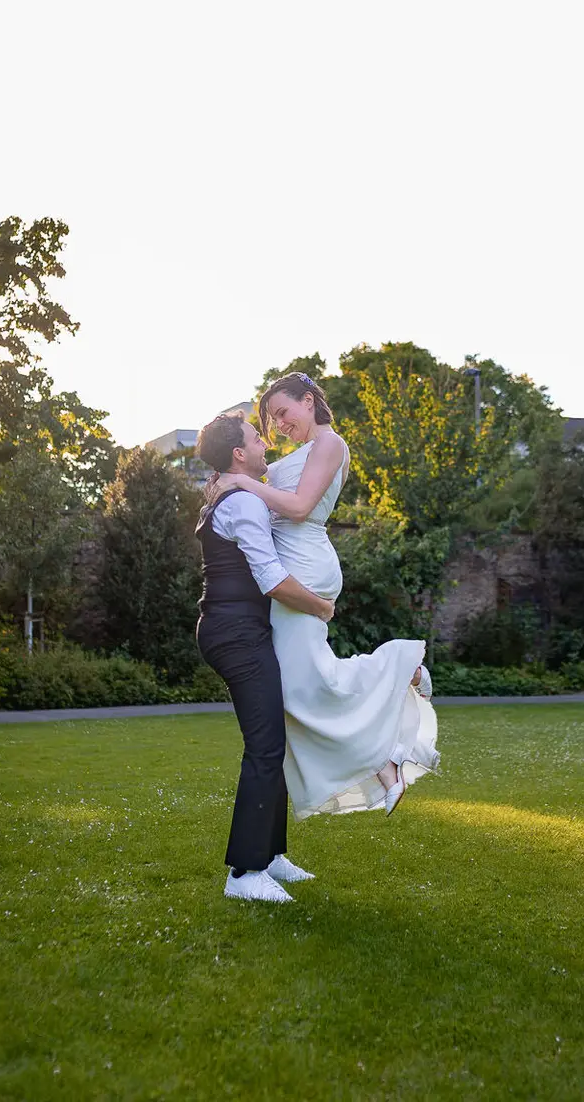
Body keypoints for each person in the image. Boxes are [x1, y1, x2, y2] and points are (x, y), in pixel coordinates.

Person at [208, 372, 438, 818]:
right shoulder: (302, 454)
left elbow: (296, 507)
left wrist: (240, 484)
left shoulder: (331, 444)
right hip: (298, 559)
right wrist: (226, 477)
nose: (278, 425)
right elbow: (249, 474)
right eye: (271, 419)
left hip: (304, 564)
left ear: (309, 401)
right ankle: (383, 764)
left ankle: (400, 667)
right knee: (302, 688)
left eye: (283, 412)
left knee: (304, 687)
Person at [193, 410, 336, 904]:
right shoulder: (244, 505)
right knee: (265, 746)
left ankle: (271, 856)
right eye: (256, 438)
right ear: (238, 453)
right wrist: (320, 606)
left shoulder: (236, 496)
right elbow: (271, 579)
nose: (264, 444)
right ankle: (244, 873)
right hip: (235, 633)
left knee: (271, 739)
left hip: (238, 630)